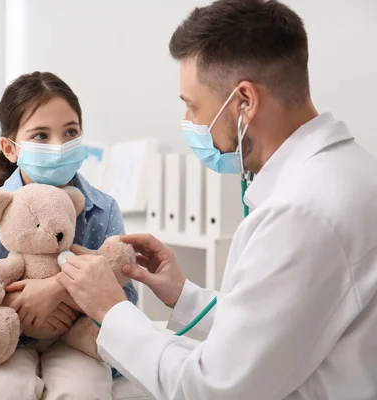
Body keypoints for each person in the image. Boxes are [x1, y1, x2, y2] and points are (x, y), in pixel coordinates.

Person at [57, 1, 377, 399]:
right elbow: (275, 330)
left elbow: (213, 388)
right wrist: (182, 294)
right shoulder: (345, 173)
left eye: (193, 106)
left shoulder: (303, 213)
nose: (190, 123)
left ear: (245, 101)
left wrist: (111, 310)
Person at [0, 71, 139, 399]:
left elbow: (126, 300)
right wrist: (21, 305)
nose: (59, 146)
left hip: (77, 344)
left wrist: (56, 290)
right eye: (41, 135)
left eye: (70, 132)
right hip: (8, 342)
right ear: (10, 149)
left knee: (83, 390)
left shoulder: (102, 209)